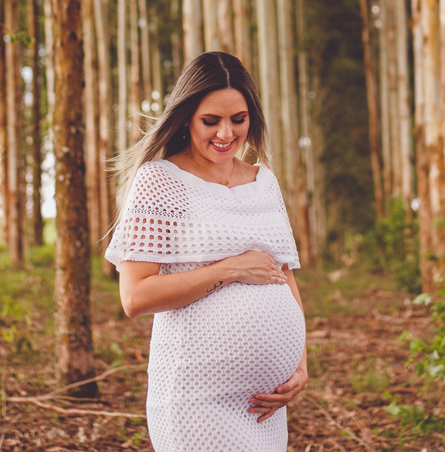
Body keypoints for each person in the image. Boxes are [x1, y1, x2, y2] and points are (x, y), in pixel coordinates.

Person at [105, 51, 308, 452]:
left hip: (265, 406)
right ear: (185, 117)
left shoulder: (265, 182)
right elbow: (135, 297)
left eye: (239, 119)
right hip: (195, 399)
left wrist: (300, 365)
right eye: (210, 121)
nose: (226, 133)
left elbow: (283, 276)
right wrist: (230, 269)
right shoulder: (160, 181)